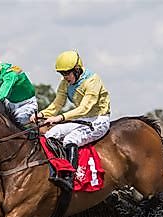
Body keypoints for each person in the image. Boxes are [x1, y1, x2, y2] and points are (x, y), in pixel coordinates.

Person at [30, 50, 111, 191]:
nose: (64, 77)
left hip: (98, 119)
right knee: (51, 134)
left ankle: (69, 179)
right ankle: (54, 170)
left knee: (70, 140)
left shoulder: (93, 81)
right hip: (81, 119)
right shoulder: (65, 83)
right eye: (62, 74)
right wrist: (41, 115)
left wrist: (60, 117)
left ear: (77, 69)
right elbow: (57, 104)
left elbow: (85, 108)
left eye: (67, 73)